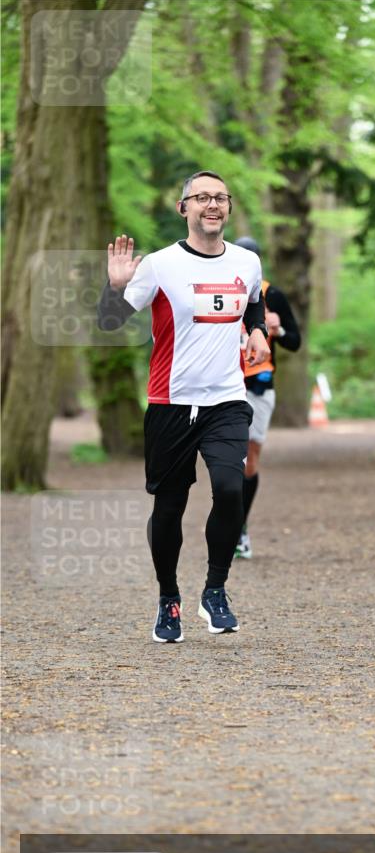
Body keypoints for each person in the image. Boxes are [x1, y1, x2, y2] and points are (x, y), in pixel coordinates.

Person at [97, 170, 271, 643]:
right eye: (201, 198)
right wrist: (114, 286)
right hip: (170, 402)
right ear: (183, 208)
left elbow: (253, 301)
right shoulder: (160, 265)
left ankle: (215, 591)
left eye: (220, 198)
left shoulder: (247, 261)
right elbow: (109, 321)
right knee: (170, 505)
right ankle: (168, 598)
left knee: (231, 490)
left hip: (227, 400)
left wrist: (257, 330)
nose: (212, 205)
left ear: (228, 208)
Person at [234, 236, 301, 559]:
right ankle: (227, 525)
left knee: (249, 460)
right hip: (224, 384)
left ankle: (240, 528)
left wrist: (279, 329)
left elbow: (295, 342)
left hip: (259, 386)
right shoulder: (221, 289)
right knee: (226, 459)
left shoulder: (272, 295)